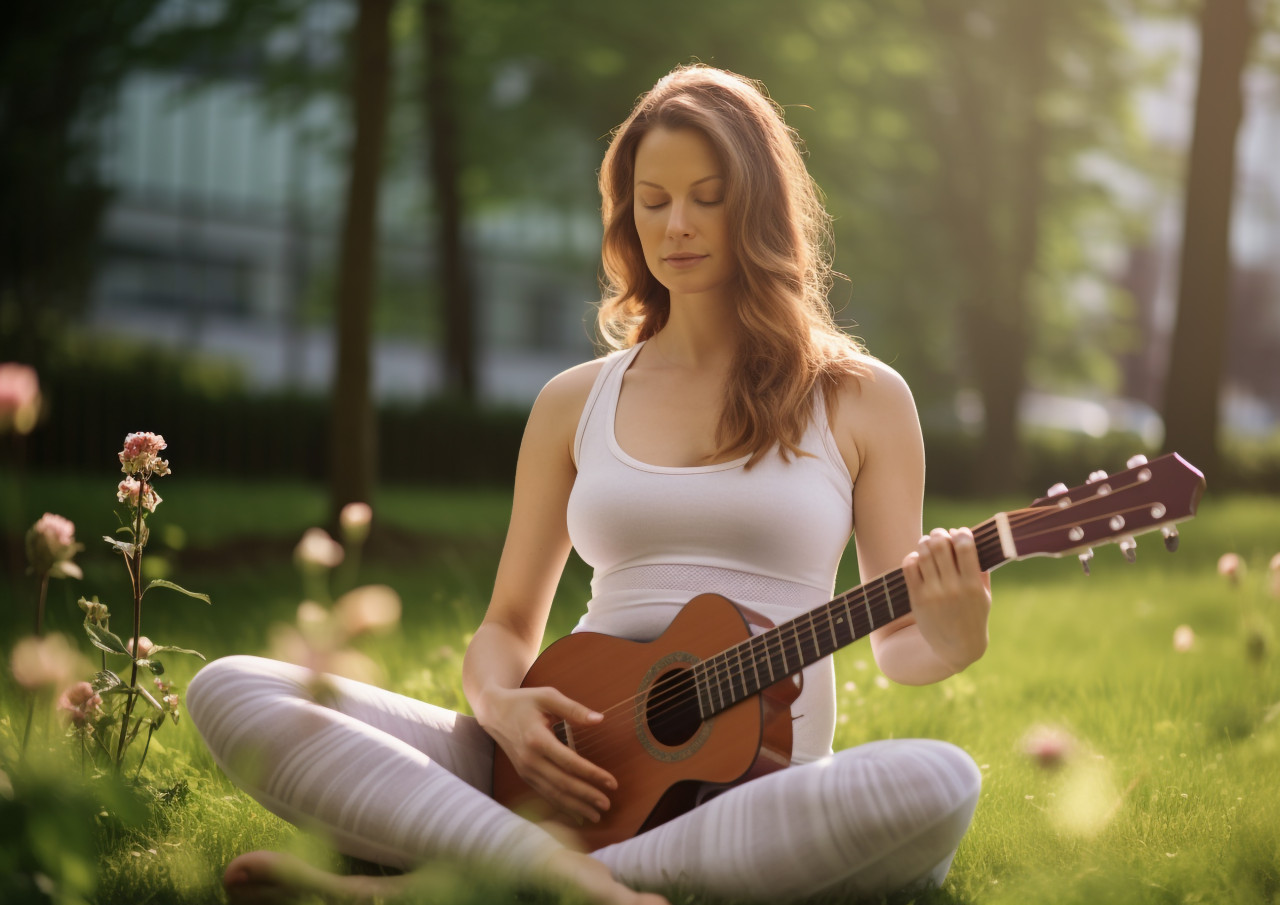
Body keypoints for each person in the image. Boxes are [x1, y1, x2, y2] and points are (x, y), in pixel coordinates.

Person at [186, 63, 991, 905]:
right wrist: (504, 707)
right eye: (653, 200)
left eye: (707, 196)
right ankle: (558, 873)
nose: (676, 224)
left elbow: (899, 645)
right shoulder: (575, 400)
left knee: (937, 778)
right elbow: (505, 625)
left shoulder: (861, 398)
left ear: (758, 205)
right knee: (232, 687)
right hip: (564, 761)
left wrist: (956, 635)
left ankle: (453, 885)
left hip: (749, 788)